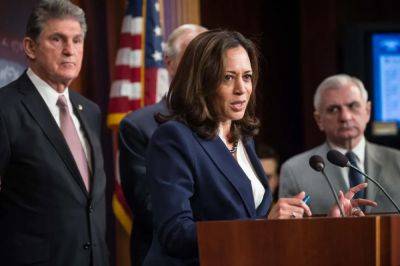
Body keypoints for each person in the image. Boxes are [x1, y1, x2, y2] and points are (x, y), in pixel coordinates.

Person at [143, 31, 375, 266]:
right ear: (202, 82)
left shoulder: (242, 137)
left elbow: (255, 218)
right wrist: (264, 226)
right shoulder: (174, 138)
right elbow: (175, 234)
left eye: (247, 77)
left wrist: (326, 221)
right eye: (227, 77)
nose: (241, 88)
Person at [0, 1, 109, 265]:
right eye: (57, 39)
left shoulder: (90, 111)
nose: (70, 50)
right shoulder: (6, 108)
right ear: (30, 47)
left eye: (77, 40)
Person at [118, 24, 207, 266]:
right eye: (191, 54)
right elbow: (150, 206)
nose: (199, 64)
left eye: (207, 56)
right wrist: (222, 225)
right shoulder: (138, 126)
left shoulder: (225, 122)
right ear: (168, 61)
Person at [279, 74, 400, 214]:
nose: (345, 117)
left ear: (367, 111)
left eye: (353, 106)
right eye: (334, 109)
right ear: (319, 119)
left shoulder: (397, 161)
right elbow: (290, 231)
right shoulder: (295, 170)